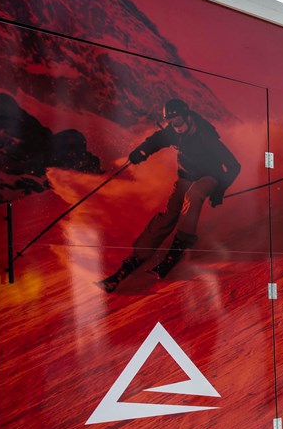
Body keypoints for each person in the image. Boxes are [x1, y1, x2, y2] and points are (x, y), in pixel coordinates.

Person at [98, 98, 240, 291]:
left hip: (210, 176)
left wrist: (219, 190)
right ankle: (136, 258)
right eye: (171, 124)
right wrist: (141, 152)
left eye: (179, 122)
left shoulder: (205, 135)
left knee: (194, 194)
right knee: (169, 216)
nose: (176, 127)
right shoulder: (174, 132)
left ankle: (178, 249)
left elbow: (233, 166)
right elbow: (156, 140)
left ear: (188, 117)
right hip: (186, 176)